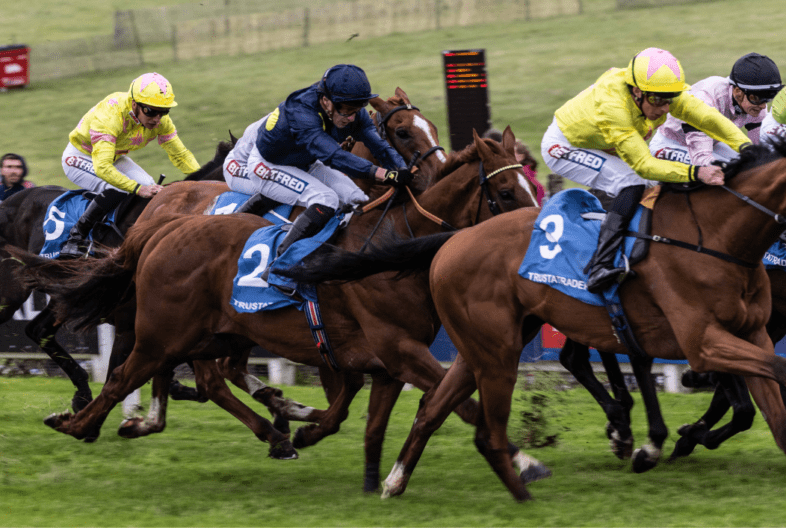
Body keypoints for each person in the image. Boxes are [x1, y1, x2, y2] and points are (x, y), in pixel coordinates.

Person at [540, 47, 752, 293]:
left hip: (602, 142)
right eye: (657, 100)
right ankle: (600, 265)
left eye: (668, 99)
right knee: (631, 182)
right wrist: (697, 172)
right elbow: (644, 165)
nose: (664, 108)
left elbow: (708, 118)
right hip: (564, 145)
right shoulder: (613, 106)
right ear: (637, 92)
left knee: (653, 187)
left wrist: (746, 146)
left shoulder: (661, 94)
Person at [222, 64, 411, 278]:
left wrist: (401, 168)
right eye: (347, 111)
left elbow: (379, 146)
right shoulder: (301, 112)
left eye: (357, 109)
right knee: (325, 199)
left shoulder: (352, 113)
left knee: (357, 197)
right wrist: (384, 175)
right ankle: (278, 268)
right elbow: (335, 157)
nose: (351, 118)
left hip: (305, 163)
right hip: (266, 165)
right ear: (326, 101)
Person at [59, 72, 200, 258]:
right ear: (134, 104)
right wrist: (137, 188)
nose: (157, 118)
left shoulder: (160, 121)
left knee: (149, 184)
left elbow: (180, 154)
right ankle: (76, 238)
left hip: (114, 156)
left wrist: (202, 181)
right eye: (151, 111)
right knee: (119, 187)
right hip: (80, 156)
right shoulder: (110, 115)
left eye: (163, 111)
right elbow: (102, 167)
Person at [649, 52, 782, 165]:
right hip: (671, 144)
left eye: (768, 98)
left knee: (750, 169)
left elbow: (760, 153)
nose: (763, 106)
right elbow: (701, 160)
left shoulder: (754, 103)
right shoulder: (706, 98)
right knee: (727, 176)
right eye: (758, 99)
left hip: (713, 143)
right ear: (737, 92)